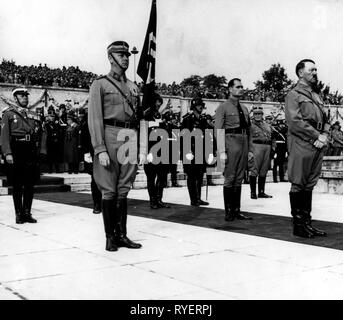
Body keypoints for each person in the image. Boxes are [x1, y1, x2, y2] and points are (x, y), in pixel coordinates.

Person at [88, 40, 146, 252]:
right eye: (121, 55)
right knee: (109, 190)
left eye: (127, 55)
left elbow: (140, 119)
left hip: (129, 135)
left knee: (124, 189)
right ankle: (109, 236)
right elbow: (94, 119)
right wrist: (99, 148)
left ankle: (122, 235)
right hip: (110, 134)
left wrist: (141, 147)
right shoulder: (100, 84)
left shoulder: (133, 86)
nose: (125, 58)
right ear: (110, 58)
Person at [285, 59, 330, 238]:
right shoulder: (293, 94)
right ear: (300, 73)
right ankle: (298, 225)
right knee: (299, 182)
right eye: (311, 70)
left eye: (316, 69)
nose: (315, 72)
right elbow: (294, 122)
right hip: (303, 142)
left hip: (318, 141)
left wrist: (324, 135)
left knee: (310, 183)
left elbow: (325, 119)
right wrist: (315, 136)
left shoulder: (317, 95)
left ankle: (307, 223)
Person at [0, 87, 46, 224]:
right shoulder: (8, 114)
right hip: (16, 149)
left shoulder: (34, 115)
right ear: (15, 98)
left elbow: (43, 134)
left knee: (30, 184)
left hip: (31, 150)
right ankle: (19, 213)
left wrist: (42, 151)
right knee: (17, 184)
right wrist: (7, 153)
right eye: (21, 96)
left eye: (26, 96)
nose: (25, 98)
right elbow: (4, 136)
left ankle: (27, 212)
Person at [215, 78, 253, 221]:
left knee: (239, 178)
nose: (241, 89)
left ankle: (237, 210)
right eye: (237, 87)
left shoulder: (244, 108)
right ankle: (229, 211)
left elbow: (249, 130)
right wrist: (222, 151)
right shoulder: (223, 107)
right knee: (230, 178)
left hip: (243, 143)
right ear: (230, 89)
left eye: (242, 86)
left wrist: (250, 150)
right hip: (230, 143)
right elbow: (218, 130)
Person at [181, 97, 213, 206]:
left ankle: (198, 197)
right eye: (199, 105)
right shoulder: (187, 119)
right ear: (194, 106)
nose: (201, 107)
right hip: (190, 151)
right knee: (191, 176)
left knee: (200, 175)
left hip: (201, 150)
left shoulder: (203, 119)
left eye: (202, 105)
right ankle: (193, 199)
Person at [144, 94, 171, 209]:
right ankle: (153, 201)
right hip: (150, 150)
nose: (159, 104)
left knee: (161, 176)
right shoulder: (147, 116)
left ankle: (159, 199)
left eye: (160, 102)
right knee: (151, 177)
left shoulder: (158, 115)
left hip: (161, 150)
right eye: (157, 102)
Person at [79, 108, 102, 214]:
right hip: (92, 154)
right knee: (95, 179)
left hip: (105, 152)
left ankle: (104, 202)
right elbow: (83, 140)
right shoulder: (86, 123)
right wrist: (86, 154)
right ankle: (97, 203)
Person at [248, 106, 273, 199]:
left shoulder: (267, 125)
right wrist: (249, 151)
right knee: (254, 170)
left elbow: (271, 138)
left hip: (267, 148)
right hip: (256, 148)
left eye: (259, 114)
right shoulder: (250, 126)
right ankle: (253, 192)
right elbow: (248, 139)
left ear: (262, 115)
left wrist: (273, 148)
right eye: (256, 114)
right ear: (253, 115)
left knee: (264, 170)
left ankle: (261, 192)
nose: (257, 115)